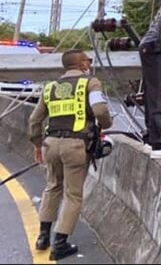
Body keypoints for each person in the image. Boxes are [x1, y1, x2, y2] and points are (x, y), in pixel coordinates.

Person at [29, 50, 112, 260]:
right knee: (73, 194)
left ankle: (42, 237)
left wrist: (38, 145)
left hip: (51, 144)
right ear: (82, 63)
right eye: (88, 60)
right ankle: (60, 244)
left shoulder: (50, 88)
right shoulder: (90, 83)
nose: (90, 64)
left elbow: (34, 120)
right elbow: (100, 110)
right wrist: (106, 125)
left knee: (52, 187)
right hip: (75, 145)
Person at [138, 0, 161, 159]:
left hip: (151, 43)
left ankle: (152, 139)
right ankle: (160, 143)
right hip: (160, 44)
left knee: (153, 95)